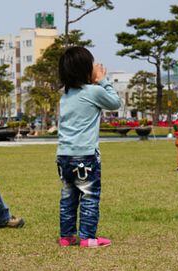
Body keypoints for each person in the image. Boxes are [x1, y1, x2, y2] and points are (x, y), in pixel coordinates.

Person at [56, 47, 121, 248]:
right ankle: (87, 238)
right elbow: (115, 103)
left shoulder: (65, 94)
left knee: (68, 196)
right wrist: (103, 80)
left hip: (63, 155)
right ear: (85, 69)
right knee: (89, 196)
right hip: (85, 155)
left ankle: (66, 237)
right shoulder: (93, 91)